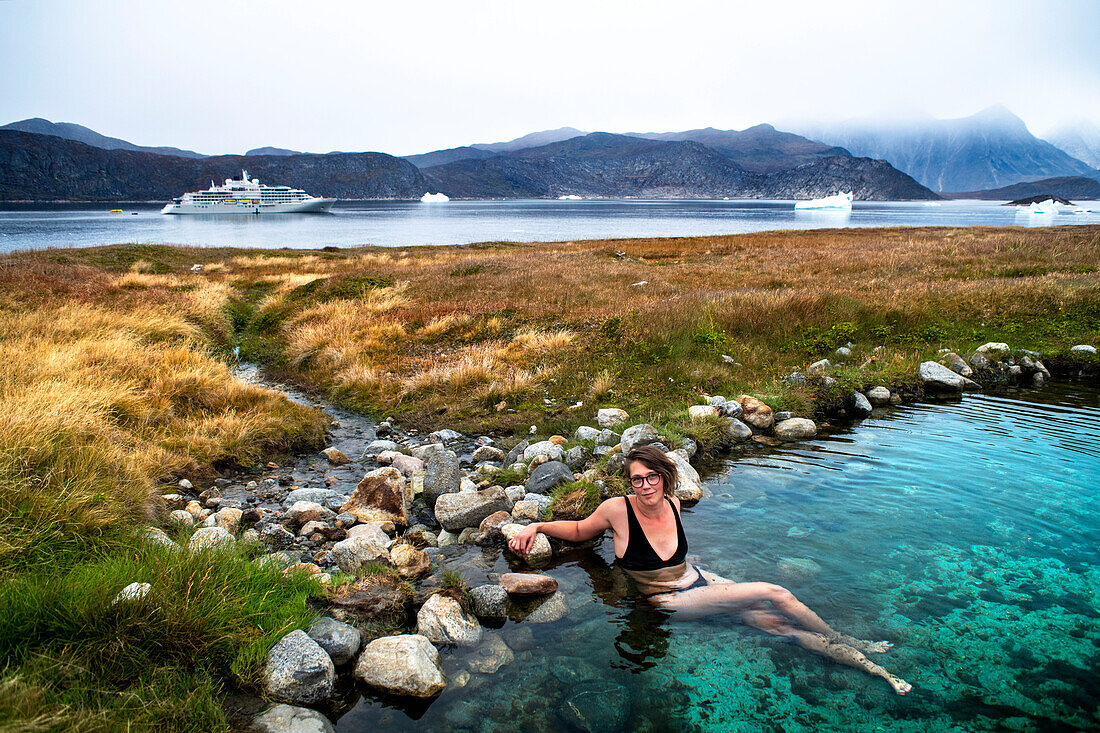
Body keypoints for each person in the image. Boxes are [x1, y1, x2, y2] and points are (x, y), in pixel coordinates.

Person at [508, 444, 912, 695]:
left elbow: (676, 553)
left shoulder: (674, 504)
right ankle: (846, 638)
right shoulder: (617, 510)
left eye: (651, 478)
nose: (645, 486)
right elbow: (579, 531)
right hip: (667, 598)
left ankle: (872, 668)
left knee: (777, 624)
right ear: (629, 483)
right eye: (636, 480)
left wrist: (698, 570)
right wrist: (536, 525)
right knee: (777, 594)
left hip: (699, 581)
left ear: (665, 478)